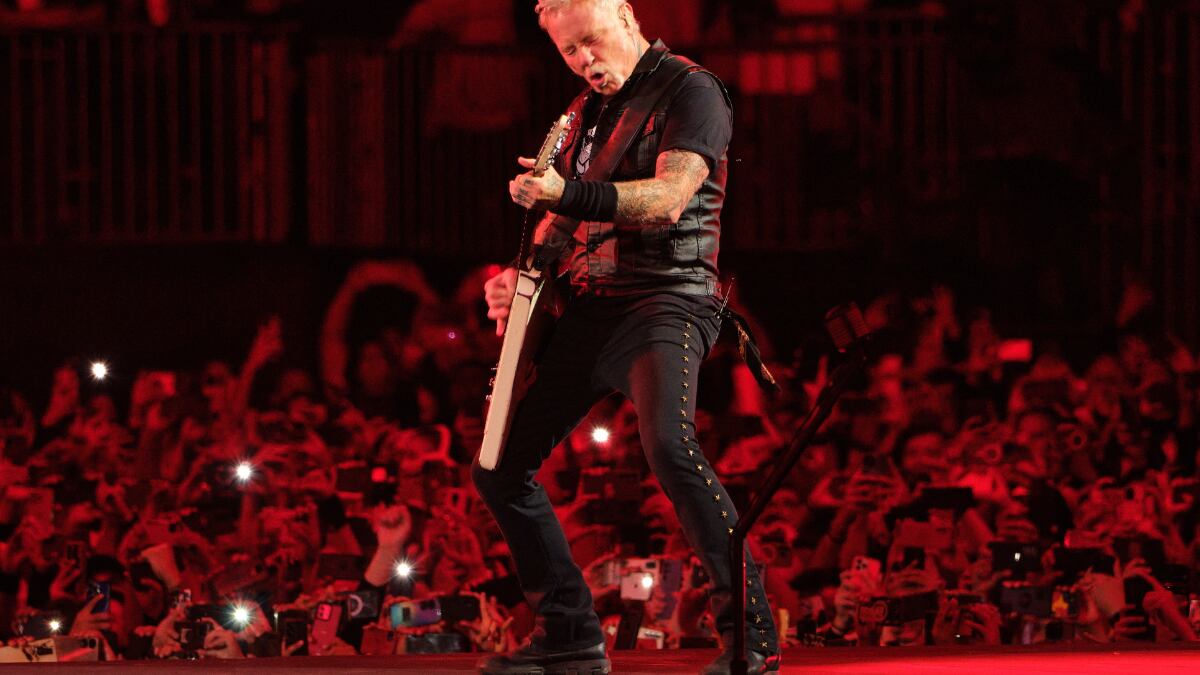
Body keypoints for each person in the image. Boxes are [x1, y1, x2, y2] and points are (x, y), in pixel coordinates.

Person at [474, 1, 780, 673]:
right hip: (590, 307)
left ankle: (750, 635)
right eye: (569, 52)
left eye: (591, 41)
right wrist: (518, 278)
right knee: (499, 465)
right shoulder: (581, 116)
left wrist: (565, 196)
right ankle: (570, 632)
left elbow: (669, 197)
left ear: (625, 13)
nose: (585, 60)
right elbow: (558, 227)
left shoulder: (690, 89)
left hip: (667, 300)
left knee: (670, 444)